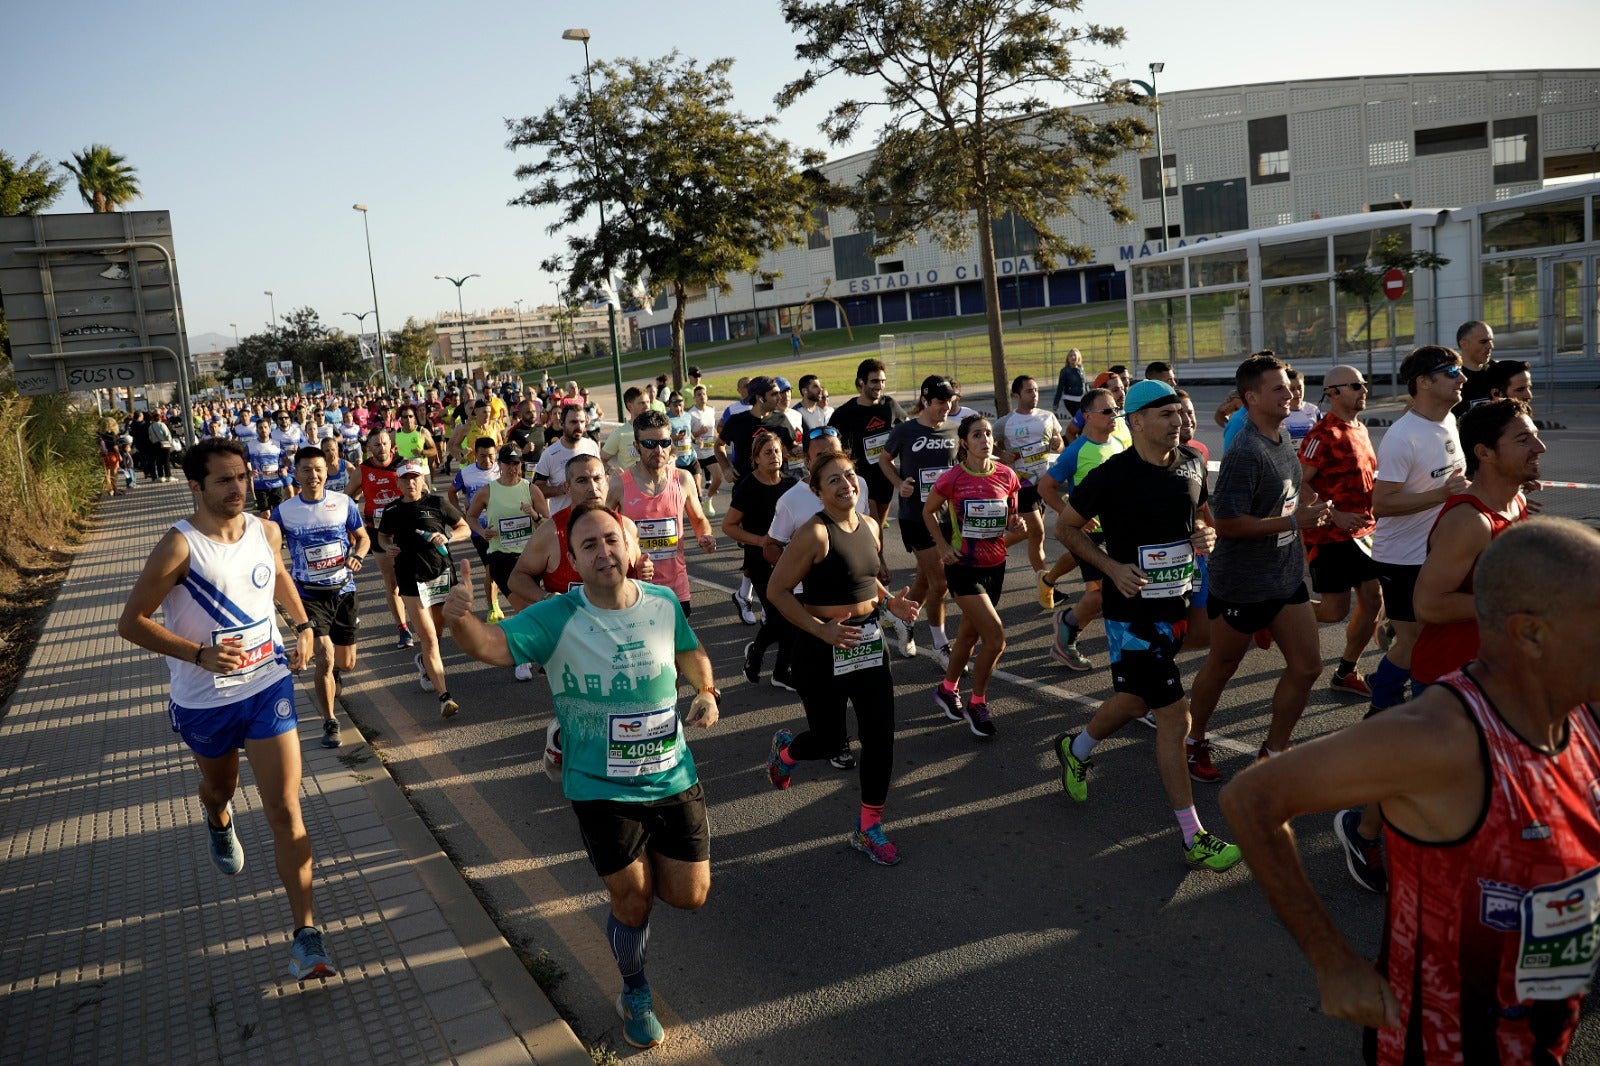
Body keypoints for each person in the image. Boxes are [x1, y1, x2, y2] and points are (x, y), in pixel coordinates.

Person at [1220, 517, 1600, 1065]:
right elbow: (1250, 799)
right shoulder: (1441, 736)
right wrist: (1333, 963)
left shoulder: (1580, 711)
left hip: (1539, 1036)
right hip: (1440, 1046)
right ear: (1531, 634)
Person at [444, 502, 720, 1050]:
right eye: (588, 545)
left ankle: (559, 735)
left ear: (630, 546)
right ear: (570, 560)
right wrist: (459, 620)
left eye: (612, 540)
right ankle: (635, 991)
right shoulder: (558, 615)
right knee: (633, 900)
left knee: (690, 895)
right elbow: (490, 646)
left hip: (671, 774)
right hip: (600, 785)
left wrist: (706, 690)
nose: (604, 552)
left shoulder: (663, 602)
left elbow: (689, 652)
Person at [115, 437, 334, 980]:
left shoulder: (266, 529)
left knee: (285, 807)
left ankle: (307, 936)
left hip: (267, 684)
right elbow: (130, 623)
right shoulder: (179, 547)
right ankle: (217, 818)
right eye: (224, 480)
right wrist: (199, 654)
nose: (239, 487)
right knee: (220, 788)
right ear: (196, 486)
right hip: (204, 700)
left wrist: (303, 625)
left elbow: (278, 574)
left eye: (243, 477)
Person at [1333, 399, 1542, 896]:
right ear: (1485, 453)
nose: (1539, 446)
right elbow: (1429, 604)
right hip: (1450, 675)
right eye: (1523, 439)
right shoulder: (1468, 521)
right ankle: (1363, 834)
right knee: (1422, 773)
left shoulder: (1513, 503)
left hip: (1495, 670)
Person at [1050, 379, 1241, 871]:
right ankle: (1192, 835)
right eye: (1165, 415)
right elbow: (1065, 527)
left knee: (1135, 700)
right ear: (1135, 422)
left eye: (1179, 413)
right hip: (1131, 614)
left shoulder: (1193, 463)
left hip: (1175, 605)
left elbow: (1202, 518)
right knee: (1176, 716)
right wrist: (1111, 567)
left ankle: (1076, 747)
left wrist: (1206, 537)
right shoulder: (1113, 475)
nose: (1178, 421)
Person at [765, 453, 922, 866]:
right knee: (829, 741)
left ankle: (868, 828)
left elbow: (865, 582)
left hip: (868, 645)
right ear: (817, 491)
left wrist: (891, 607)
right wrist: (822, 630)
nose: (844, 484)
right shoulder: (814, 534)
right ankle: (785, 753)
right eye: (832, 480)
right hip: (820, 649)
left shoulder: (870, 524)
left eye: (849, 476)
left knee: (880, 738)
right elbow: (777, 591)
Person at [1185, 353, 1332, 781]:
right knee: (1223, 664)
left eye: (1288, 386)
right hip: (1242, 582)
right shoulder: (1245, 451)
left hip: (1286, 575)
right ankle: (1193, 741)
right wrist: (1291, 521)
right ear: (1251, 397)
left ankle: (1273, 750)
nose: (1291, 394)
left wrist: (1315, 510)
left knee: (1307, 667)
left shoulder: (1282, 435)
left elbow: (1287, 495)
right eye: (1279, 389)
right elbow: (1226, 524)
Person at [1367, 345, 1469, 715]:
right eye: (1452, 372)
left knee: (1431, 639)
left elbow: (1451, 483)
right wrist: (1442, 493)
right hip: (1402, 559)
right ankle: (1383, 709)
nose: (1463, 378)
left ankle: (1387, 685)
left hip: (1437, 554)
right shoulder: (1402, 436)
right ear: (1423, 382)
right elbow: (1383, 503)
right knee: (1416, 644)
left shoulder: (1448, 421)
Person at [926, 415, 1023, 738]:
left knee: (969, 637)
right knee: (996, 639)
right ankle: (977, 702)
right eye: (978, 435)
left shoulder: (1007, 476)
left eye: (988, 434)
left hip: (996, 566)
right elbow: (928, 511)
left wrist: (1016, 526)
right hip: (963, 568)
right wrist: (941, 546)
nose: (986, 439)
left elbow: (1011, 517)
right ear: (964, 442)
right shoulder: (952, 479)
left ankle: (946, 688)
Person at [268, 446, 370, 749]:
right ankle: (330, 720)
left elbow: (362, 537)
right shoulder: (284, 511)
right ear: (295, 474)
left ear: (327, 471)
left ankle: (336, 672)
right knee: (323, 656)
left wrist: (358, 556)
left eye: (318, 469)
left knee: (346, 662)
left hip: (344, 591)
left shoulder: (343, 503)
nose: (313, 475)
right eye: (306, 470)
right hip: (309, 594)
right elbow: (270, 547)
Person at [1299, 365, 1383, 699]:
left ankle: (1346, 671)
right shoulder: (1322, 435)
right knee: (1334, 611)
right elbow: (1297, 484)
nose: (1363, 389)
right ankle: (1271, 614)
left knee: (1373, 600)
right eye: (1355, 385)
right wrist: (1335, 513)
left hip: (1365, 532)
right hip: (1330, 535)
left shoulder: (1360, 428)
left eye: (1364, 383)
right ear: (1333, 393)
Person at [1039, 387, 1124, 670]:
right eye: (1107, 411)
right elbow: (1045, 487)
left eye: (1115, 409)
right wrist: (1073, 516)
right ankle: (1066, 627)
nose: (1115, 415)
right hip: (1087, 534)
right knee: (1101, 594)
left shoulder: (1117, 443)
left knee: (1111, 592)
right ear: (1087, 416)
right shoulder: (1076, 451)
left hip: (1116, 530)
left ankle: (1068, 632)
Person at [378, 460, 471, 717]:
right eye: (405, 479)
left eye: (415, 478)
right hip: (410, 580)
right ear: (398, 483)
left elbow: (464, 527)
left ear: (423, 480)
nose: (410, 483)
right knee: (428, 638)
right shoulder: (392, 510)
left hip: (441, 576)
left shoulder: (437, 503)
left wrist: (449, 536)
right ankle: (445, 698)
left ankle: (423, 661)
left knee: (437, 634)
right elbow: (383, 535)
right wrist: (387, 546)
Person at [879, 377, 960, 666]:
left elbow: (959, 465)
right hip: (916, 517)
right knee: (941, 583)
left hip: (947, 516)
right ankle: (940, 646)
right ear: (926, 401)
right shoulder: (905, 430)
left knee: (925, 581)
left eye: (950, 401)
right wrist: (899, 484)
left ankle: (902, 617)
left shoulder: (954, 428)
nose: (946, 407)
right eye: (940, 402)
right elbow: (884, 460)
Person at [607, 409, 717, 616]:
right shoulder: (618, 486)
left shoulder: (683, 480)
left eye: (665, 443)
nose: (658, 450)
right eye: (649, 444)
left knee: (679, 647)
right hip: (635, 589)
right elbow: (602, 535)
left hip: (676, 589)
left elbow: (699, 519)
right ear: (636, 447)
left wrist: (706, 536)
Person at [725, 430, 798, 687]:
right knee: (779, 618)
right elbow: (729, 526)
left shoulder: (791, 485)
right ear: (756, 458)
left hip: (789, 562)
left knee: (791, 617)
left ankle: (781, 672)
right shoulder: (748, 486)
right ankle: (757, 655)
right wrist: (761, 541)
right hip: (759, 562)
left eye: (777, 451)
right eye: (768, 452)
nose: (774, 456)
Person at [467, 444, 544, 667]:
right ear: (499, 465)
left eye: (516, 463)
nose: (513, 468)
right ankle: (523, 659)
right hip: (501, 558)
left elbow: (547, 523)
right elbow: (470, 517)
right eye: (508, 463)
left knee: (533, 610)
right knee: (523, 609)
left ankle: (530, 652)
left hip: (530, 559)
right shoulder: (488, 491)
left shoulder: (530, 490)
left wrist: (534, 515)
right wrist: (482, 532)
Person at [993, 375, 1065, 609]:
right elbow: (990, 443)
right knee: (1037, 532)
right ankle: (1047, 584)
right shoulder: (1006, 423)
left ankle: (995, 546)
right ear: (1017, 395)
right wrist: (1000, 454)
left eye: (1035, 390)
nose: (1034, 395)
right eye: (1028, 391)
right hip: (1021, 485)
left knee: (1034, 537)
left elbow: (1060, 443)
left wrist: (1058, 443)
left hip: (1044, 484)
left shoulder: (1048, 417)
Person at [828, 358, 908, 529]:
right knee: (871, 525)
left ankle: (879, 555)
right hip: (861, 479)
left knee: (878, 528)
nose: (879, 386)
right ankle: (878, 557)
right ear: (861, 382)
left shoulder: (889, 406)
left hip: (886, 477)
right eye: (874, 381)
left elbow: (907, 430)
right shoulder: (845, 413)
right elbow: (830, 443)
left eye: (882, 381)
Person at [360, 427, 413, 648]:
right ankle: (403, 629)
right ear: (369, 449)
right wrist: (356, 521)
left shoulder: (404, 465)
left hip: (405, 529)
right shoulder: (362, 470)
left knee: (412, 577)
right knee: (391, 581)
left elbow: (422, 490)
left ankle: (421, 616)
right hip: (377, 531)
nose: (381, 448)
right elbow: (347, 497)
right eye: (376, 445)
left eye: (384, 443)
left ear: (391, 445)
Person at [452, 438, 506, 623]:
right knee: (491, 568)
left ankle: (496, 600)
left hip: (502, 527)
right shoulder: (466, 473)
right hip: (478, 529)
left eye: (491, 456)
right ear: (475, 454)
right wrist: (459, 514)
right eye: (482, 456)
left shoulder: (502, 469)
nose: (488, 461)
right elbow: (452, 492)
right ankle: (492, 606)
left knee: (499, 568)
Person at [533, 404, 602, 516]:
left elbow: (600, 479)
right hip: (564, 520)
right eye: (573, 422)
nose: (579, 426)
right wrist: (560, 489)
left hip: (590, 516)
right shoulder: (549, 454)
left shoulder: (592, 446)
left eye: (582, 422)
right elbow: (536, 490)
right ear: (562, 424)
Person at [245, 417, 291, 515]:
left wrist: (285, 469)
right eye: (260, 428)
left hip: (276, 484)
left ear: (270, 429)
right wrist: (249, 471)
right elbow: (244, 461)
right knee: (266, 514)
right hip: (260, 485)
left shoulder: (277, 444)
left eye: (265, 427)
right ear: (257, 430)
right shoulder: (250, 445)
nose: (263, 430)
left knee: (277, 513)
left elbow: (287, 461)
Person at [1451, 319, 1497, 416]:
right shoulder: (1451, 377)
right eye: (1483, 342)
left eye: (1491, 341)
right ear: (1464, 344)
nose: (1490, 346)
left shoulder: (1497, 371)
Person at [688, 386, 721, 515]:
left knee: (718, 478)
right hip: (696, 453)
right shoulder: (691, 414)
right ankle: (697, 509)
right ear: (694, 398)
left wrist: (717, 437)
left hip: (709, 451)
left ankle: (708, 499)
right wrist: (698, 434)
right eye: (698, 395)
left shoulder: (711, 410)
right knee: (696, 486)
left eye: (704, 394)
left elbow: (713, 429)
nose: (702, 396)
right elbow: (688, 435)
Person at [602, 388, 649, 473]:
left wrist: (672, 458)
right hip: (630, 484)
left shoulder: (656, 429)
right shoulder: (620, 433)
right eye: (642, 403)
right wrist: (611, 470)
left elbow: (672, 449)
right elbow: (601, 459)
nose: (647, 406)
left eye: (648, 402)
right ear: (630, 406)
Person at [392, 404, 441, 472]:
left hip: (422, 470)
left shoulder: (423, 431)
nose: (408, 419)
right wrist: (395, 456)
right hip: (404, 472)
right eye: (405, 417)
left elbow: (434, 450)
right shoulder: (396, 434)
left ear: (414, 417)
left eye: (410, 416)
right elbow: (388, 450)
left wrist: (422, 452)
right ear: (401, 419)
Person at [1051, 347, 1086, 418]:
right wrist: (1056, 403)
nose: (1073, 357)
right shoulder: (1065, 371)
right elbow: (1060, 388)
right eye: (1070, 356)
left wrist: (1090, 397)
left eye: (1074, 355)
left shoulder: (1081, 368)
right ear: (1068, 359)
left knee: (1083, 419)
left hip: (1081, 399)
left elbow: (1085, 384)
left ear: (1078, 357)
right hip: (1070, 399)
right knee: (1079, 418)